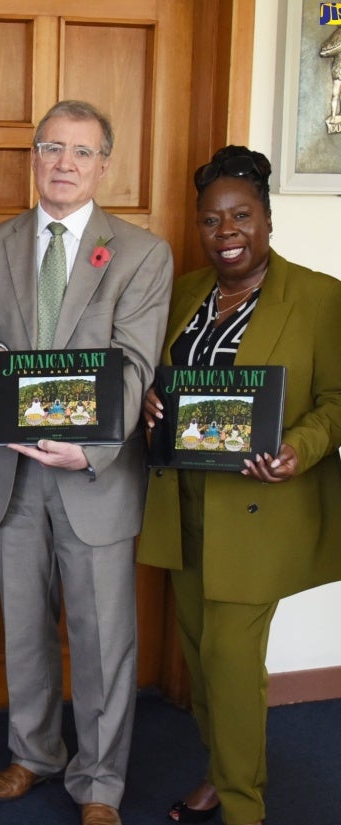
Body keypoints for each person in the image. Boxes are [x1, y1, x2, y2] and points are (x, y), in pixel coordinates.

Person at [0, 100, 173, 825]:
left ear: (104, 164)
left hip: (91, 472)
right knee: (23, 625)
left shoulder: (141, 252)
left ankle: (100, 782)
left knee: (103, 635)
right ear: (34, 157)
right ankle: (34, 753)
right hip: (10, 468)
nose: (65, 164)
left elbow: (137, 364)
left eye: (81, 151)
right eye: (52, 148)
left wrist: (95, 447)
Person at [138, 146, 341, 825]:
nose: (227, 233)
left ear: (268, 220)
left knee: (229, 660)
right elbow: (161, 379)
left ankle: (244, 808)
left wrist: (298, 448)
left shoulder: (317, 297)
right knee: (199, 654)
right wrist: (149, 404)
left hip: (257, 510)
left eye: (241, 217)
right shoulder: (187, 292)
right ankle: (220, 773)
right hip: (183, 504)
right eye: (212, 220)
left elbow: (339, 398)